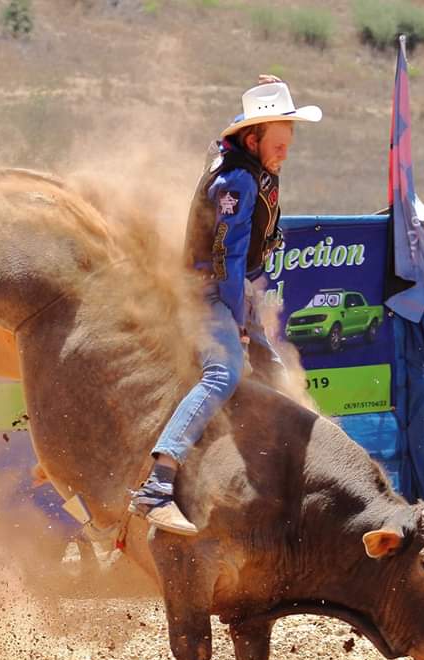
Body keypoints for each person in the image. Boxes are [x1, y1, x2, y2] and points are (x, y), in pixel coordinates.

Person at [128, 78, 322, 534]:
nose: (285, 153)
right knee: (224, 371)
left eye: (287, 143)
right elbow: (227, 260)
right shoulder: (237, 181)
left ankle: (308, 471)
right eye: (278, 143)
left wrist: (272, 95)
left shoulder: (243, 165)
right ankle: (158, 483)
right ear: (253, 139)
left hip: (228, 288)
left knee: (274, 372)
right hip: (210, 291)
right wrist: (237, 319)